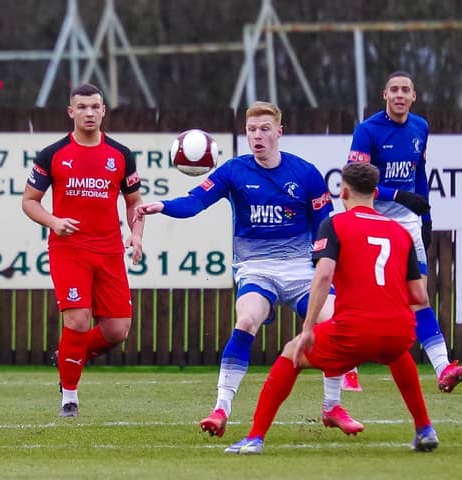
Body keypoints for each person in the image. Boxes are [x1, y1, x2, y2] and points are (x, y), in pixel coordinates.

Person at [135, 101, 362, 438]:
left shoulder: (306, 173)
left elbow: (323, 228)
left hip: (300, 268)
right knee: (246, 320)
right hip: (256, 268)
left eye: (265, 129)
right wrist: (162, 206)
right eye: (252, 130)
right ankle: (221, 409)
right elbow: (195, 202)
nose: (258, 136)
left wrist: (327, 269)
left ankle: (332, 407)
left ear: (279, 132)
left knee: (334, 321)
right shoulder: (233, 171)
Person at [225, 162, 439, 455]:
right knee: (398, 354)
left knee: (292, 352)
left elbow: (324, 276)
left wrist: (309, 327)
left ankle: (254, 438)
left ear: (344, 191)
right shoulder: (400, 233)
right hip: (399, 328)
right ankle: (425, 429)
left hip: (356, 328)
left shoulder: (335, 224)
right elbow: (418, 294)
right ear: (376, 192)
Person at [347, 71, 462, 392]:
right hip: (371, 219)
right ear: (384, 95)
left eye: (406, 90)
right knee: (360, 295)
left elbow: (419, 173)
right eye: (394, 90)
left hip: (407, 224)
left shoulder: (420, 127)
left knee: (419, 295)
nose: (400, 95)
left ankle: (443, 368)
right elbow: (354, 182)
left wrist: (426, 215)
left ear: (413, 97)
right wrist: (396, 195)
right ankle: (346, 367)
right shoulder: (367, 131)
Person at [22, 83, 144, 418]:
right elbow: (29, 202)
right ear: (71, 112)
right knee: (77, 320)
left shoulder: (120, 155)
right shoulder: (52, 154)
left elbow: (134, 203)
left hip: (108, 251)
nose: (89, 113)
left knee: (117, 330)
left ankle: (66, 357)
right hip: (69, 249)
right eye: (82, 107)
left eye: (95, 107)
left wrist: (136, 234)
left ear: (103, 110)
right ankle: (70, 398)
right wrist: (53, 221)